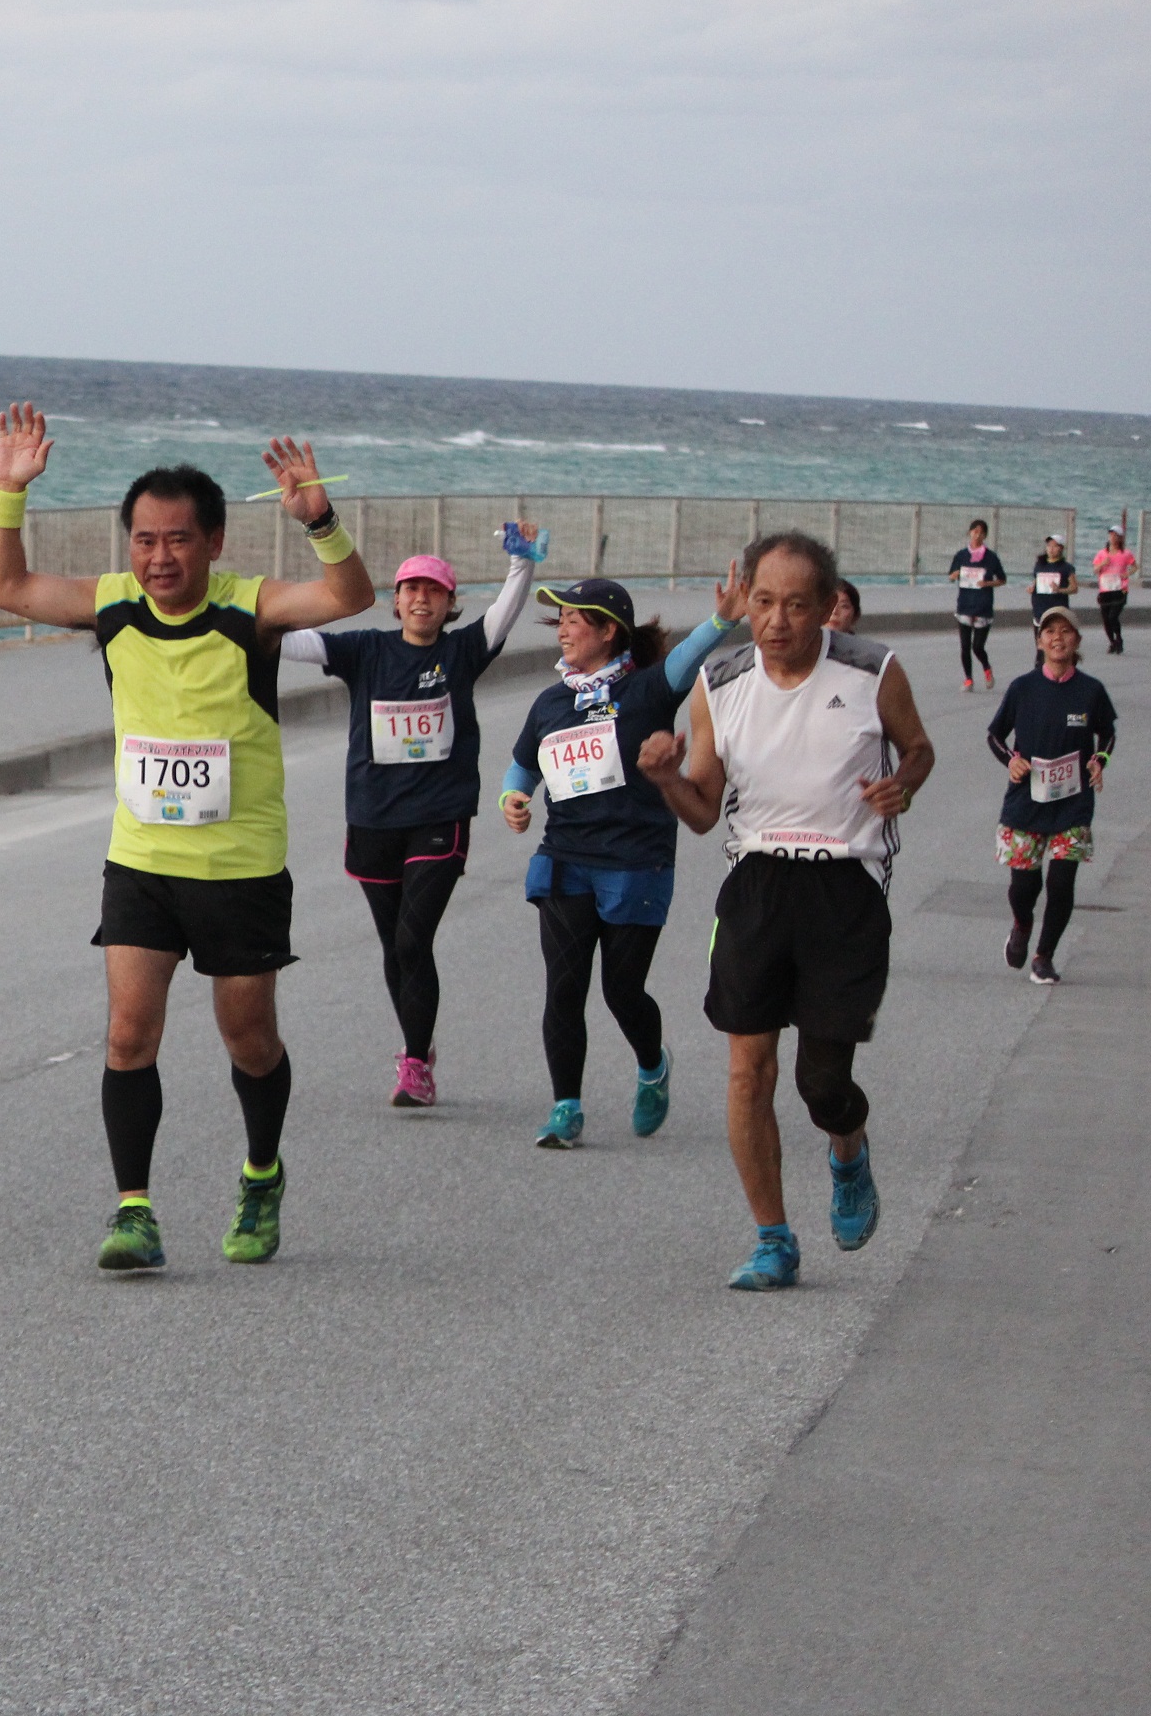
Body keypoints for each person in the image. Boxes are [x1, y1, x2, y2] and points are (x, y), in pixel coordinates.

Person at [0, 404, 371, 1271]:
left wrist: (322, 523)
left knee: (249, 1040)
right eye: (145, 540)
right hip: (143, 861)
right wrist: (8, 491)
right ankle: (133, 1211)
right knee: (127, 1035)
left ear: (216, 541)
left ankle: (261, 1174)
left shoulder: (250, 611)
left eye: (179, 540)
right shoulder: (114, 607)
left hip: (239, 868)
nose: (160, 557)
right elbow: (4, 588)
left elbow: (350, 597)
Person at [637, 532, 935, 1291]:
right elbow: (703, 811)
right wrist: (671, 779)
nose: (775, 620)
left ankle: (847, 1149)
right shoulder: (720, 683)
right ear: (745, 602)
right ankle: (772, 1238)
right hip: (758, 882)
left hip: (847, 888)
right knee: (747, 1072)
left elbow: (919, 748)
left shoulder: (873, 672)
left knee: (822, 1084)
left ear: (828, 606)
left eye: (794, 605)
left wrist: (904, 783)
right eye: (762, 602)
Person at [281, 526, 535, 1105]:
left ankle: (415, 1064)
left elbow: (503, 614)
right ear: (395, 600)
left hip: (438, 816)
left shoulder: (461, 652)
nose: (421, 599)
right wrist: (242, 614)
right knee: (395, 945)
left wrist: (521, 564)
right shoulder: (366, 649)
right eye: (410, 589)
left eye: (434, 591)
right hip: (372, 818)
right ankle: (418, 1041)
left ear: (448, 605)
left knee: (414, 939)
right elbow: (294, 642)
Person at [496, 565, 748, 1148]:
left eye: (575, 621)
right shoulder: (550, 703)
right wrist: (512, 797)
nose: (562, 631)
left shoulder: (647, 689)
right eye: (560, 620)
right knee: (563, 987)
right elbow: (523, 766)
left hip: (636, 860)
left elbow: (686, 658)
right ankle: (566, 1107)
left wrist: (723, 619)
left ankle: (652, 1064)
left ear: (610, 632)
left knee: (622, 990)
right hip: (565, 858)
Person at [989, 605, 1116, 984]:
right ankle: (1022, 925)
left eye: (1065, 631)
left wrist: (1100, 760)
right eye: (1050, 632)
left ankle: (1044, 956)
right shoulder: (1022, 688)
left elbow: (1107, 733)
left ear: (1077, 640)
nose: (1058, 638)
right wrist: (1011, 761)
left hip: (1073, 803)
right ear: (1040, 641)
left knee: (1061, 883)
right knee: (1024, 887)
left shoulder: (1091, 690)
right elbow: (995, 735)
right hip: (1026, 802)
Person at [950, 520, 1005, 690]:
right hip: (965, 604)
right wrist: (956, 574)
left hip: (983, 605)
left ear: (985, 535)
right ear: (969, 533)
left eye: (981, 532)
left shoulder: (991, 557)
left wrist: (987, 584)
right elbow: (951, 576)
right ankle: (968, 679)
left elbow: (1002, 579)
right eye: (974, 531)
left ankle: (987, 669)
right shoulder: (961, 555)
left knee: (977, 646)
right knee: (965, 646)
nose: (977, 535)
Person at [1031, 534, 1078, 670]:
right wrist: (1031, 587)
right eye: (1049, 546)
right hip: (1039, 609)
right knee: (1041, 646)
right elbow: (1036, 581)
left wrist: (1060, 590)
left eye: (1055, 546)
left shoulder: (1066, 568)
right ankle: (1040, 675)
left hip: (1057, 611)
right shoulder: (1040, 565)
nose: (1051, 549)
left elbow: (1074, 588)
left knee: (1057, 644)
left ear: (1061, 548)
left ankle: (1066, 669)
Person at [1093, 524, 1136, 655]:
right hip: (1105, 589)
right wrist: (1102, 564)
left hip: (1119, 589)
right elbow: (1095, 570)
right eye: (1111, 535)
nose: (1113, 538)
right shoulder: (1102, 553)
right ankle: (1112, 642)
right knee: (1106, 618)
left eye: (1116, 535)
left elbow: (1134, 566)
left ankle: (1119, 637)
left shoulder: (1126, 553)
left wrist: (1127, 574)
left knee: (1113, 616)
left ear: (1120, 538)